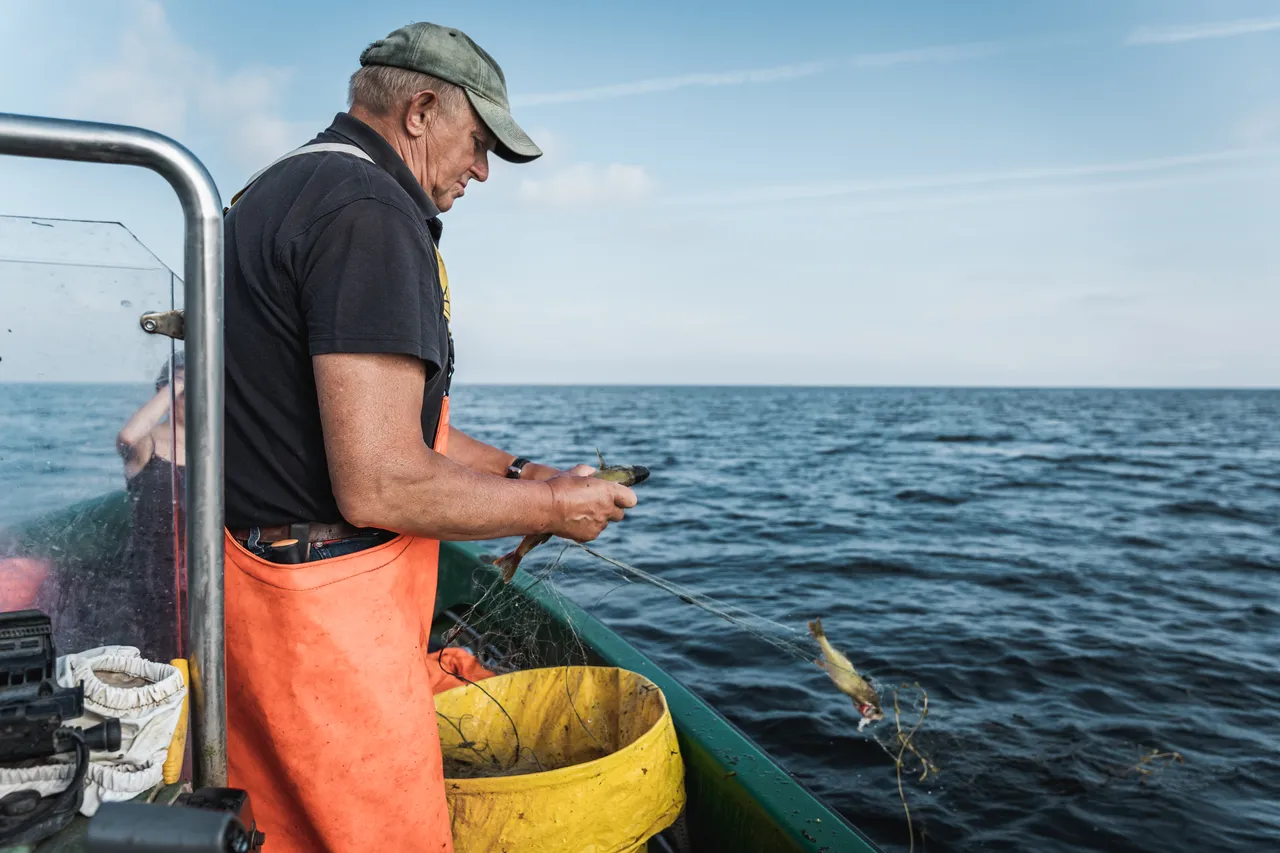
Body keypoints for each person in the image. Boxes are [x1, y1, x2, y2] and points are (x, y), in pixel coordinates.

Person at [221, 21, 637, 853]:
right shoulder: (370, 213)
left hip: (257, 596)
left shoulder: (279, 186)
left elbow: (399, 425)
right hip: (325, 628)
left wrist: (525, 473)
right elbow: (380, 480)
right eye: (478, 142)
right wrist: (553, 506)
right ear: (419, 110)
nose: (480, 169)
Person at [115, 352, 186, 660]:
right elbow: (128, 436)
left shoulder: (220, 447)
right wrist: (175, 384)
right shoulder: (147, 445)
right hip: (154, 575)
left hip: (206, 570)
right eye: (185, 389)